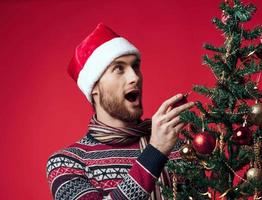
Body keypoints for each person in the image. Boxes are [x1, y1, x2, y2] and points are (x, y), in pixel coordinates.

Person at [46, 23, 194, 200]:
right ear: (95, 88)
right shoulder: (66, 163)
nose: (134, 77)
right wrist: (156, 152)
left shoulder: (179, 149)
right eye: (119, 69)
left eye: (136, 66)